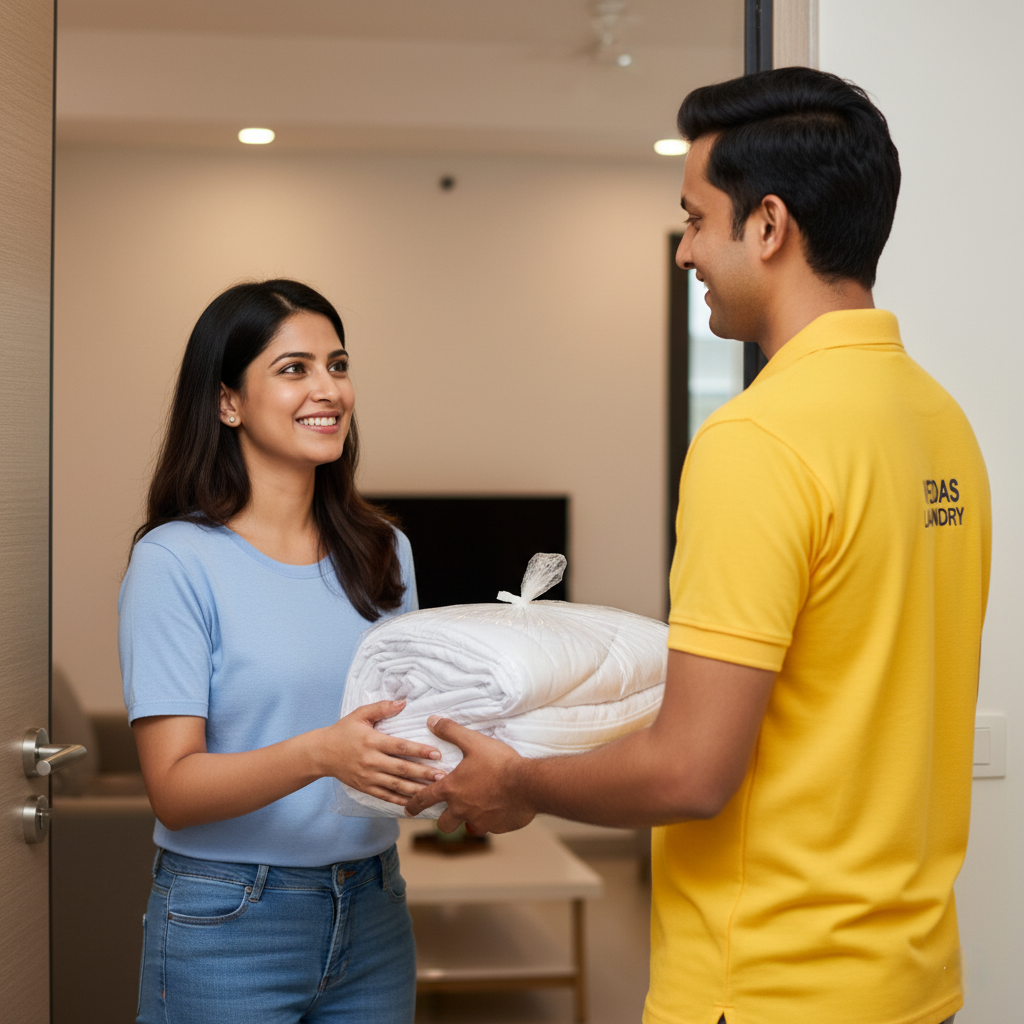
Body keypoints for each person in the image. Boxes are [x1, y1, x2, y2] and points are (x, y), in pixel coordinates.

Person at [406, 67, 990, 1024]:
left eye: (693, 218)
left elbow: (691, 770)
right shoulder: (941, 423)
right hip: (912, 983)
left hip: (770, 989)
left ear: (767, 225)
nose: (684, 251)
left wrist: (518, 781)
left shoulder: (758, 438)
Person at [120, 279, 444, 1024]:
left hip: (373, 907)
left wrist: (452, 776)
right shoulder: (174, 562)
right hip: (227, 920)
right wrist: (323, 754)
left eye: (337, 364)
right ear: (228, 401)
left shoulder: (382, 550)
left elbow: (399, 734)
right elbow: (173, 787)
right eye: (293, 368)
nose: (327, 388)